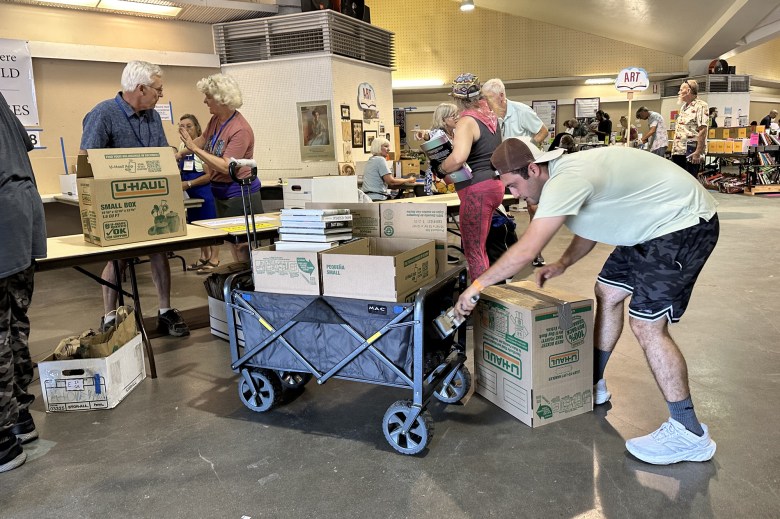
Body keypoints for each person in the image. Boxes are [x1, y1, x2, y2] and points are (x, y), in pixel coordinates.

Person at [455, 137, 719, 466]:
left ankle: (689, 432)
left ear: (533, 170)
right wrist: (564, 263)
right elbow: (593, 223)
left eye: (514, 185)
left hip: (683, 224)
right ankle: (593, 382)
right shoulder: (562, 176)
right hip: (649, 226)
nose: (515, 195)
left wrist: (476, 284)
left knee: (647, 325)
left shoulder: (564, 181)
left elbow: (525, 250)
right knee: (607, 292)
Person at [80, 60, 189, 337]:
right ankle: (108, 317)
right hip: (117, 202)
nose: (160, 95)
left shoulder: (152, 116)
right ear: (141, 88)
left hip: (150, 198)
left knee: (158, 251)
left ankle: (164, 311)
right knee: (118, 259)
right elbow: (85, 161)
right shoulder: (103, 114)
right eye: (158, 90)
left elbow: (161, 153)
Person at [0, 92, 47, 473]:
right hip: (22, 216)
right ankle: (19, 418)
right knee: (14, 323)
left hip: (5, 219)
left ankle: (2, 442)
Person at [179, 73, 261, 263]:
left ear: (221, 99)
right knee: (233, 242)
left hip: (239, 194)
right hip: (221, 192)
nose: (205, 101)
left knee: (243, 244)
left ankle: (249, 282)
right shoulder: (217, 120)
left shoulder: (240, 129)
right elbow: (203, 139)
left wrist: (194, 148)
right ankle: (241, 280)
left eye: (208, 96)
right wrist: (180, 153)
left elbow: (226, 167)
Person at [435, 73, 505, 280]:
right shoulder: (491, 116)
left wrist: (441, 168)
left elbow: (458, 158)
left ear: (456, 99)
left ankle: (479, 303)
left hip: (477, 189)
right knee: (483, 247)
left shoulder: (467, 120)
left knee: (474, 251)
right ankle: (488, 296)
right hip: (495, 184)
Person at [482, 77, 549, 267]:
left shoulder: (521, 111)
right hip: (501, 167)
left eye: (489, 98)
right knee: (493, 204)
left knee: (533, 208)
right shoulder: (489, 117)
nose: (486, 103)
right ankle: (500, 247)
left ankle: (536, 250)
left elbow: (542, 131)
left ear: (501, 96)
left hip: (524, 166)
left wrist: (527, 149)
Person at [174, 114, 218, 273]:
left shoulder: (202, 147)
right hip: (190, 195)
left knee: (211, 227)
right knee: (198, 227)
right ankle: (203, 256)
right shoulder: (181, 147)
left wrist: (190, 183)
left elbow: (209, 175)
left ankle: (214, 258)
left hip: (204, 192)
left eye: (188, 126)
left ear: (197, 128)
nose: (184, 129)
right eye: (181, 126)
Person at [671, 79, 708, 178]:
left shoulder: (701, 106)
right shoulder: (683, 107)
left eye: (681, 90)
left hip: (690, 152)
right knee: (679, 180)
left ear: (688, 91)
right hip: (678, 151)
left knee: (690, 181)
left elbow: (703, 130)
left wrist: (697, 152)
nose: (679, 92)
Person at [423, 103, 459, 196]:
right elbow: (427, 136)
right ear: (443, 119)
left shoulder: (457, 132)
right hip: (440, 177)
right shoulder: (437, 134)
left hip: (456, 175)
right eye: (453, 116)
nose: (457, 118)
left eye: (457, 115)